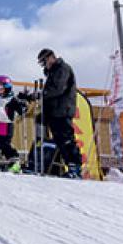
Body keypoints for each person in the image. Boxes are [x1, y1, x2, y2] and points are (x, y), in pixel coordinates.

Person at [38, 49, 83, 177]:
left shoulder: (62, 69)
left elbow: (58, 88)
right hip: (54, 112)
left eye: (44, 62)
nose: (44, 65)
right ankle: (70, 166)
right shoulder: (53, 72)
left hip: (62, 110)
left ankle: (75, 167)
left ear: (51, 57)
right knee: (59, 140)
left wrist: (43, 94)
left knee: (67, 139)